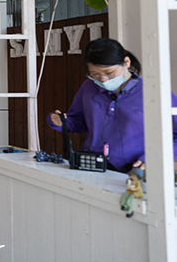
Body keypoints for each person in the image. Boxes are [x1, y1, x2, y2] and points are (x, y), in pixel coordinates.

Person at [47, 38, 177, 173]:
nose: (103, 79)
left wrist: (154, 156)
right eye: (95, 74)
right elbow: (79, 122)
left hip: (136, 171)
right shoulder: (88, 88)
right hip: (91, 166)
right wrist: (60, 121)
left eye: (109, 73)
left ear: (126, 62)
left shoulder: (154, 92)